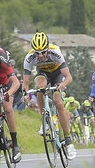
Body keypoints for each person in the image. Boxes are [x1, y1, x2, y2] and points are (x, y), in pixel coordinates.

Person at [21, 32, 76, 160]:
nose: (40, 56)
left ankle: (68, 141)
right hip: (43, 74)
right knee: (40, 86)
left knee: (58, 102)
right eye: (37, 53)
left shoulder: (55, 52)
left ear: (48, 48)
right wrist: (25, 94)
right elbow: (26, 82)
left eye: (43, 52)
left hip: (58, 75)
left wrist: (62, 84)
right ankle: (45, 119)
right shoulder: (29, 58)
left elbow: (69, 77)